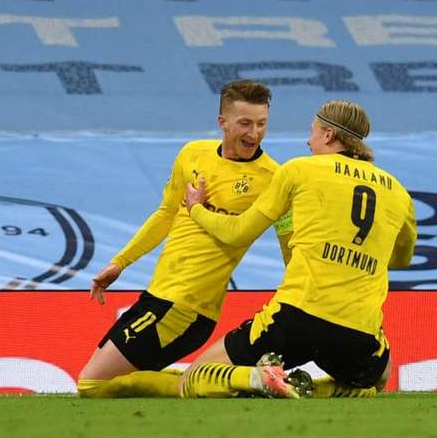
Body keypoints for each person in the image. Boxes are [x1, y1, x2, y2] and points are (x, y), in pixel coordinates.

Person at [180, 100, 417, 399]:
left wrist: (197, 209)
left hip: (296, 318)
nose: (308, 140)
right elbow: (402, 258)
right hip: (357, 332)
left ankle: (259, 379)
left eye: (313, 131)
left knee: (193, 379)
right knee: (379, 378)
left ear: (329, 135)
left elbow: (238, 232)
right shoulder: (398, 191)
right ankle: (315, 392)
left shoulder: (299, 170)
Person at [77, 80, 293, 398]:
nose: (254, 133)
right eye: (245, 123)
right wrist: (120, 263)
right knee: (117, 388)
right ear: (222, 122)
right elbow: (165, 214)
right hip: (159, 295)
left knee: (92, 385)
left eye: (262, 124)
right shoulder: (193, 154)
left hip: (186, 306)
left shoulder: (273, 178)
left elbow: (289, 243)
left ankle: (248, 379)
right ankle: (227, 380)